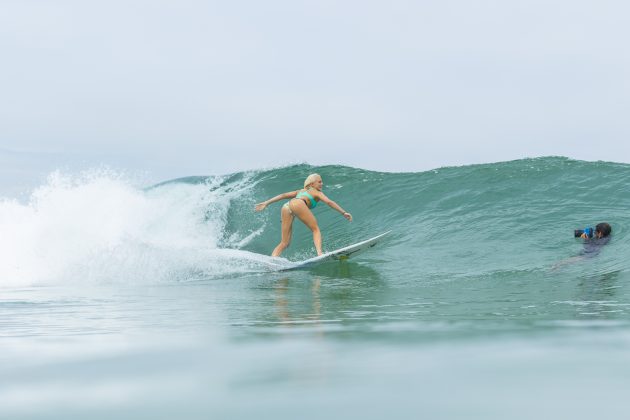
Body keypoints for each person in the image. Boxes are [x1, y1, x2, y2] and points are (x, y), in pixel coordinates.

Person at [255, 173, 352, 257]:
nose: (322, 184)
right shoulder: (316, 192)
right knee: (315, 229)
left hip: (286, 207)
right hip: (298, 203)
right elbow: (329, 202)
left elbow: (283, 195)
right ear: (312, 183)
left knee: (285, 242)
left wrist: (266, 203)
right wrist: (343, 212)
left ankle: (273, 258)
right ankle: (319, 253)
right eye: (319, 182)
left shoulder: (300, 191)